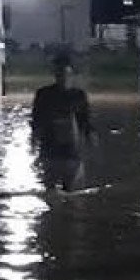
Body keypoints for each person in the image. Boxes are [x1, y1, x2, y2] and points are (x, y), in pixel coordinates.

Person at [30, 53, 93, 191]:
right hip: (49, 149)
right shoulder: (44, 94)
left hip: (71, 151)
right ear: (55, 75)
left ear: (72, 75)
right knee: (50, 188)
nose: (63, 78)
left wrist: (90, 141)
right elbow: (36, 120)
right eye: (60, 74)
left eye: (66, 74)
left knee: (70, 189)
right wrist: (33, 143)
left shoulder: (78, 96)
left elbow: (85, 121)